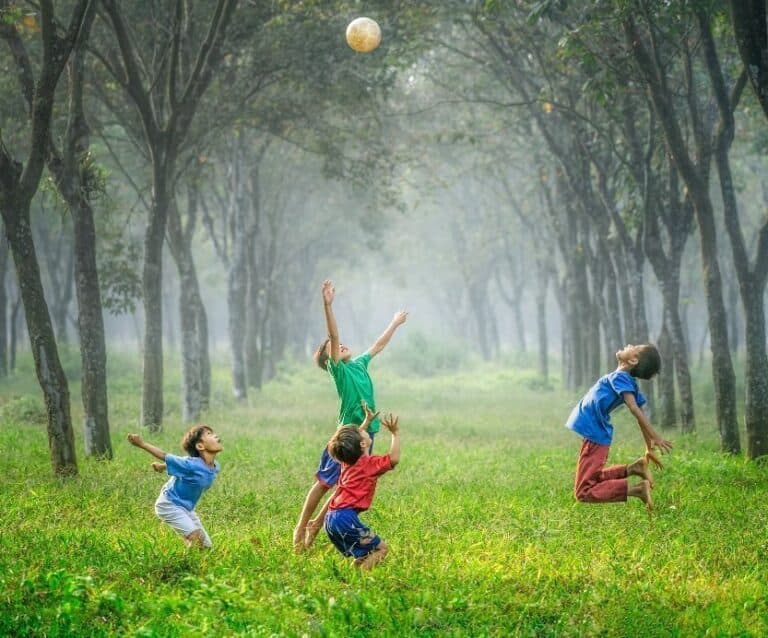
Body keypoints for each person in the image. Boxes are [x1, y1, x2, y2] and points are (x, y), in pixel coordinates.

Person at [293, 279, 407, 551]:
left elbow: (378, 345)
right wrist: (327, 305)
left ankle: (318, 525)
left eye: (342, 344)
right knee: (324, 483)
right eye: (333, 348)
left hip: (368, 432)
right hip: (346, 436)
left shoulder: (358, 364)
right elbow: (333, 336)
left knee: (348, 482)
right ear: (329, 359)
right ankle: (301, 527)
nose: (341, 345)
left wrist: (394, 323)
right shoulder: (339, 371)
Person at [565, 343, 673, 512]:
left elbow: (635, 409)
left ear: (633, 359)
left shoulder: (621, 378)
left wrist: (654, 436)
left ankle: (637, 490)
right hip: (594, 434)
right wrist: (649, 447)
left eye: (634, 347)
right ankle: (634, 468)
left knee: (583, 491)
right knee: (593, 478)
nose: (629, 345)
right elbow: (639, 414)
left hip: (595, 435)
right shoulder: (625, 379)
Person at [324, 405, 400, 570]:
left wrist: (366, 421)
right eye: (362, 431)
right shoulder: (369, 465)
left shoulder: (347, 461)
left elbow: (350, 441)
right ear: (363, 443)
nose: (363, 430)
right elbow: (393, 459)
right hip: (345, 519)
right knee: (381, 549)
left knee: (365, 553)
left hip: (331, 519)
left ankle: (353, 576)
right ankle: (361, 582)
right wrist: (395, 434)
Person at [127, 425, 222, 548]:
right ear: (200, 446)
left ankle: (193, 563)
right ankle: (183, 565)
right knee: (195, 537)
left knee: (206, 546)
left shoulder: (215, 466)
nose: (215, 435)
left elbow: (182, 462)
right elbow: (165, 455)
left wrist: (162, 466)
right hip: (169, 504)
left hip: (186, 509)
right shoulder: (191, 465)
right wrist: (142, 444)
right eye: (209, 434)